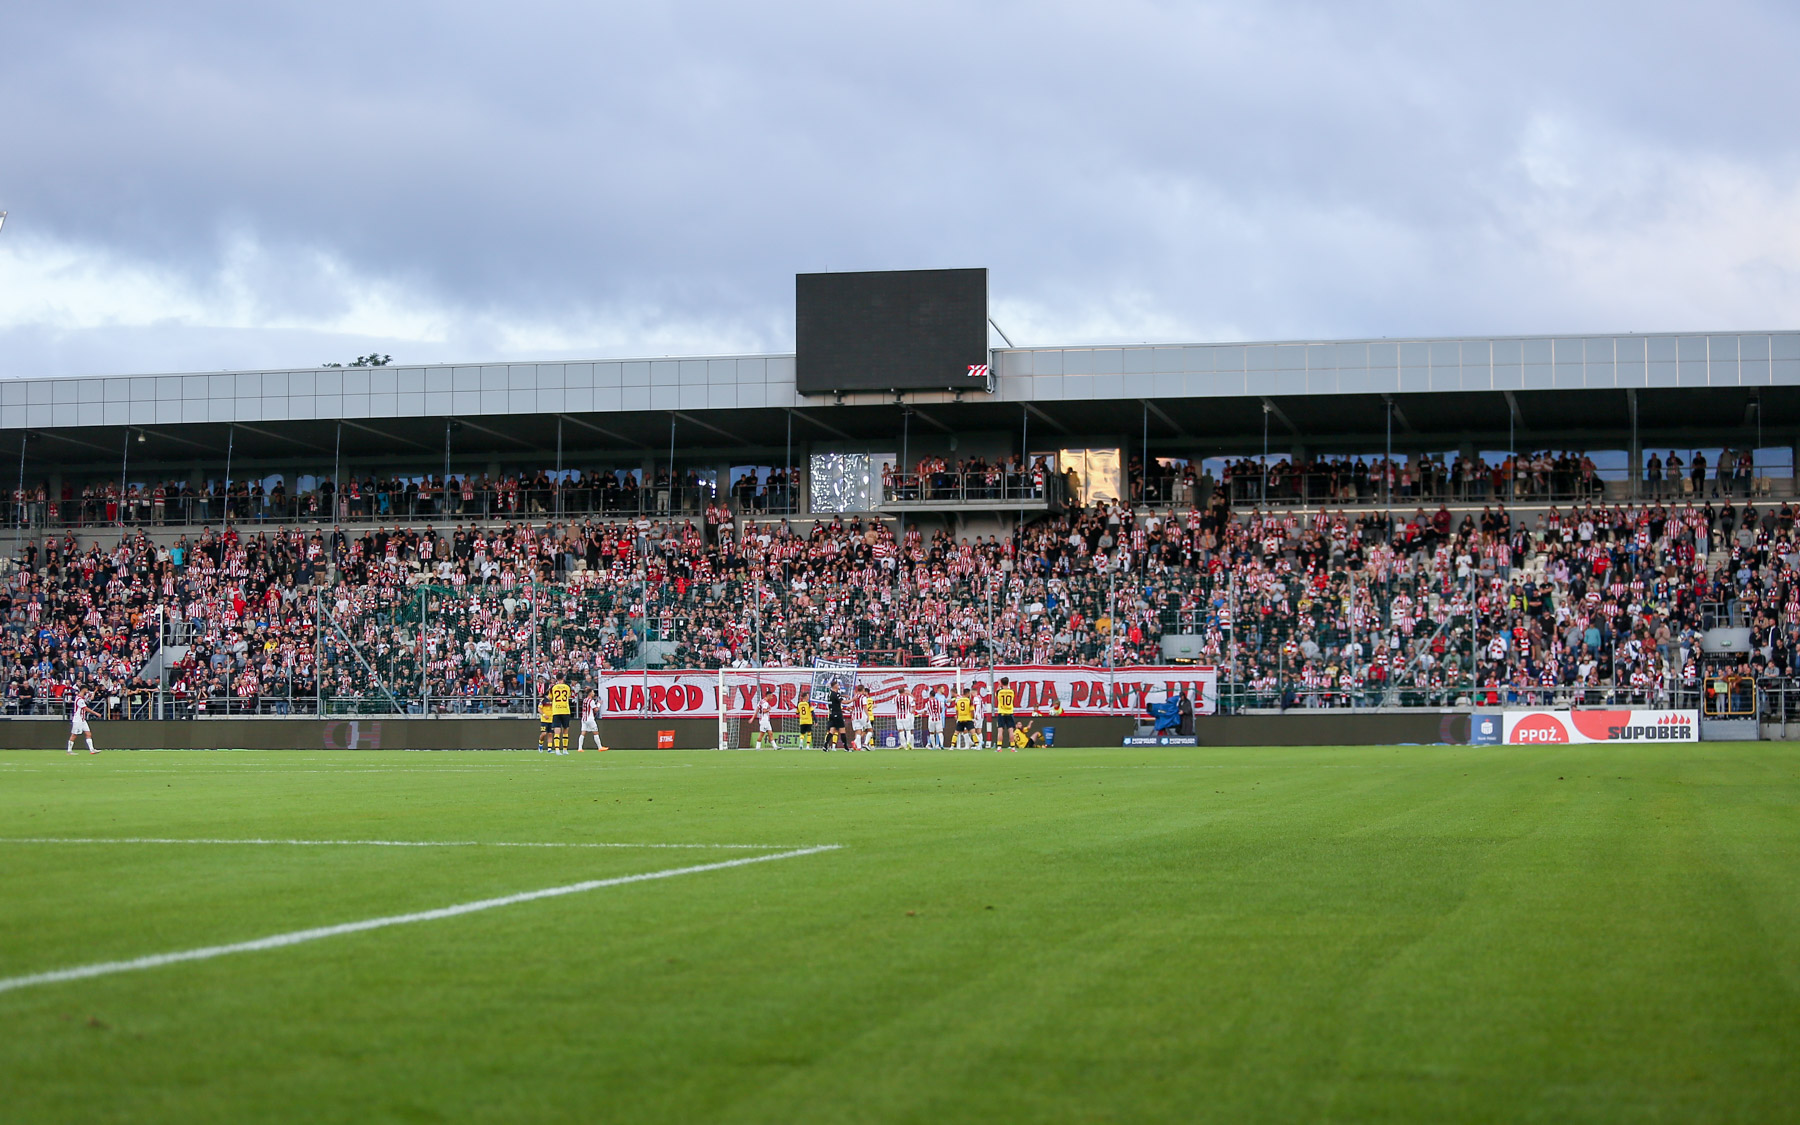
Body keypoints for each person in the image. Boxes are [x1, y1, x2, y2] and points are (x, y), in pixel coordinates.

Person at [66, 690, 99, 755]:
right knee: (74, 735)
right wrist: (96, 713)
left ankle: (92, 749)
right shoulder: (79, 699)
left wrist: (94, 692)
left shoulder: (82, 698)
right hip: (78, 719)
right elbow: (85, 708)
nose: (87, 691)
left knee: (88, 733)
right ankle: (69, 751)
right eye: (86, 689)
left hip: (83, 719)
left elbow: (89, 699)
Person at [549, 677, 573, 754]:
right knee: (565, 730)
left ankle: (557, 749)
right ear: (563, 679)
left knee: (557, 730)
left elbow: (550, 697)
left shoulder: (553, 687)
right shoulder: (567, 687)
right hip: (565, 710)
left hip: (556, 710)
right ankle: (565, 750)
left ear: (557, 679)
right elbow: (569, 696)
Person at [994, 677, 1016, 753]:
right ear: (1008, 682)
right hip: (1010, 713)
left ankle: (999, 747)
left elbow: (996, 692)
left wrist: (999, 685)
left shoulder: (999, 692)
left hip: (1001, 713)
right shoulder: (1012, 692)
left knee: (1000, 731)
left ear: (1001, 683)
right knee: (1011, 731)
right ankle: (1013, 747)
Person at [825, 681, 847, 751]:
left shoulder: (829, 694)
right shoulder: (836, 694)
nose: (838, 686)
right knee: (842, 730)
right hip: (837, 714)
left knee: (832, 730)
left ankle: (825, 746)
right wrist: (853, 699)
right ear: (835, 686)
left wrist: (843, 696)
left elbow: (835, 702)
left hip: (831, 714)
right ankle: (846, 747)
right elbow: (843, 702)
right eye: (837, 684)